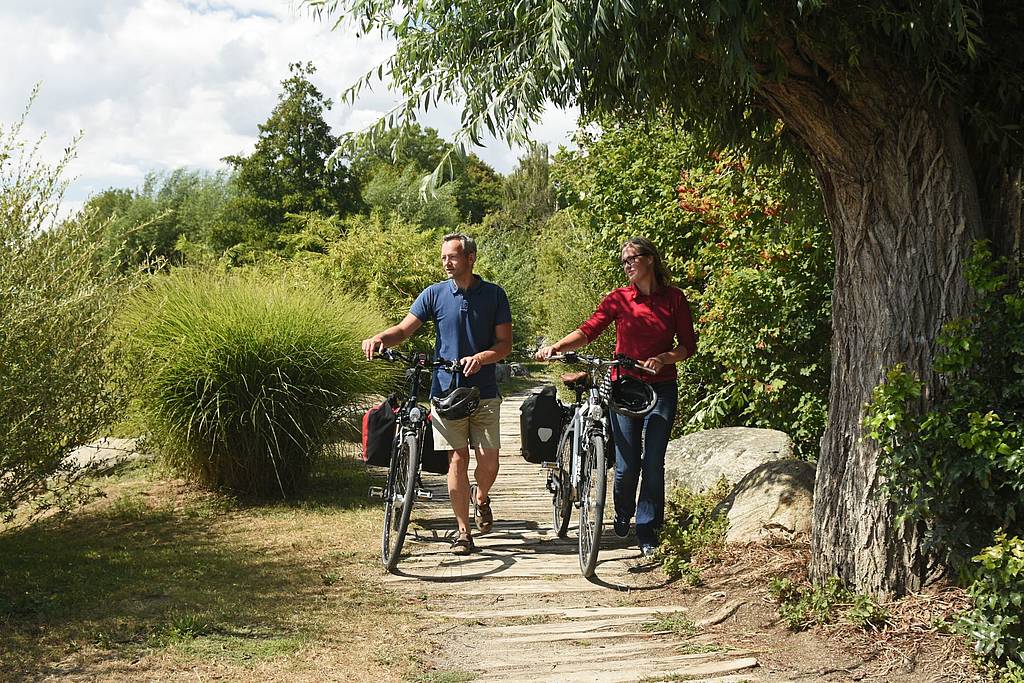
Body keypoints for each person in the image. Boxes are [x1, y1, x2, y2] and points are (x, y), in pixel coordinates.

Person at [536, 237, 696, 558]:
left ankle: (647, 529)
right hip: (623, 388)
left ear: (650, 259)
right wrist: (557, 347)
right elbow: (589, 330)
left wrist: (664, 358)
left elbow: (688, 346)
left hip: (661, 389)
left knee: (653, 463)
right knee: (626, 466)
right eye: (623, 262)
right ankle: (622, 514)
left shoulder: (674, 299)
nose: (627, 266)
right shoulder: (619, 299)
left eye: (632, 259)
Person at [362, 233, 512, 555]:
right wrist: (379, 338)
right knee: (457, 458)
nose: (446, 262)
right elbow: (403, 330)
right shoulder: (433, 294)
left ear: (470, 258)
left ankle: (481, 496)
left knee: (489, 462)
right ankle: (463, 533)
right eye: (443, 257)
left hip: (484, 391)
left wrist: (482, 358)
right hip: (445, 391)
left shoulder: (495, 295)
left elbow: (505, 345)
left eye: (453, 256)